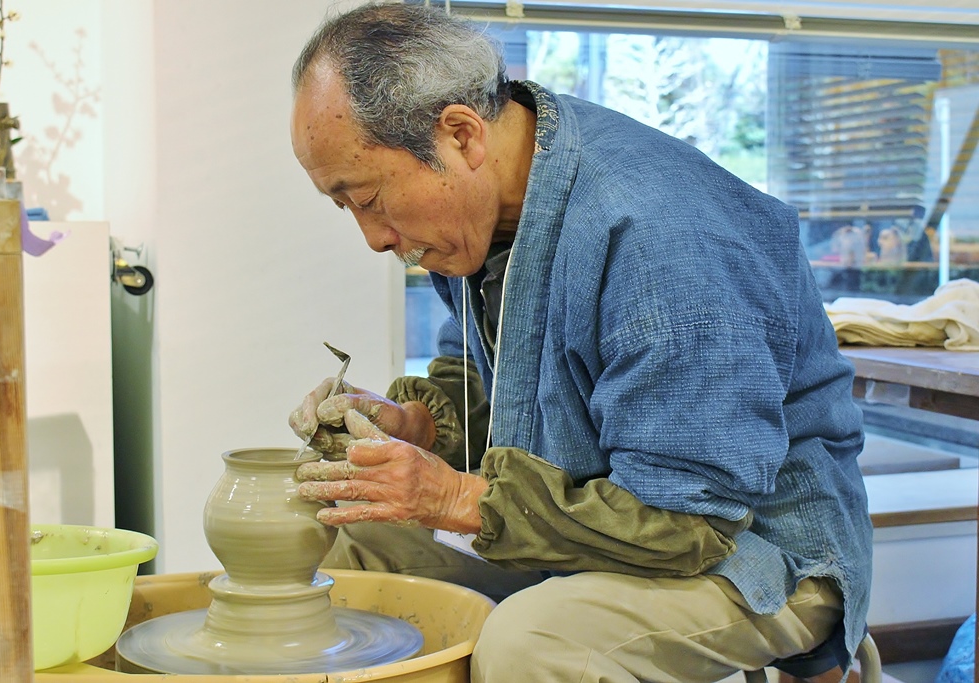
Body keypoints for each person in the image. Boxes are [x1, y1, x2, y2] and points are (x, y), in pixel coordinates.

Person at [287, 4, 872, 682]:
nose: (375, 237)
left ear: (460, 134)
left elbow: (689, 523)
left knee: (531, 645)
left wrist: (452, 498)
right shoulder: (484, 216)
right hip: (598, 532)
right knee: (354, 540)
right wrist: (417, 425)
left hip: (757, 548)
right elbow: (483, 379)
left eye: (368, 198)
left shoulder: (658, 234)